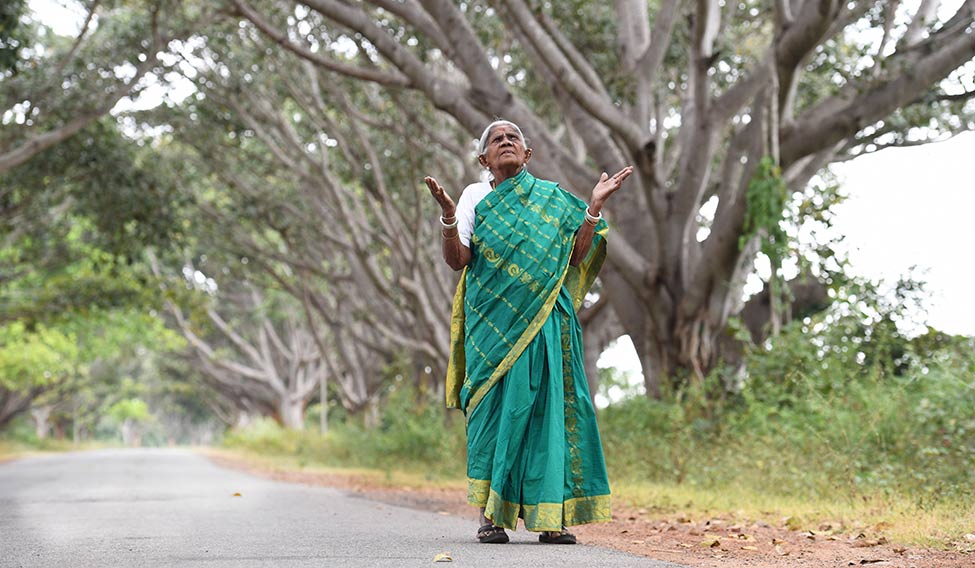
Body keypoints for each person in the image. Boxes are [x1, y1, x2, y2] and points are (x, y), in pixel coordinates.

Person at [424, 120, 632, 545]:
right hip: (490, 329)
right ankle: (490, 517)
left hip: (547, 326)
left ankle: (550, 516)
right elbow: (457, 259)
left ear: (527, 154)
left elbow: (575, 257)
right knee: (492, 415)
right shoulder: (475, 197)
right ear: (484, 159)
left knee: (546, 413)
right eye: (495, 140)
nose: (505, 142)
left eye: (513, 137)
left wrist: (592, 209)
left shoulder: (553, 200)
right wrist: (448, 217)